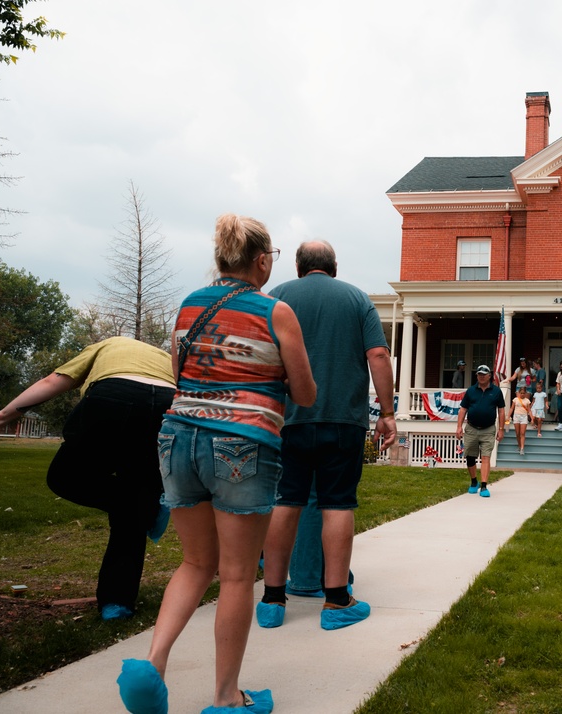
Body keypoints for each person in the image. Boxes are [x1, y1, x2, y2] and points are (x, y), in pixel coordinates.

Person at [117, 214, 316, 714]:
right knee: (234, 575)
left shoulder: (188, 307)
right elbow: (307, 394)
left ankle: (153, 664)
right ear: (262, 260)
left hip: (177, 439)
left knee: (194, 562)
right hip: (241, 444)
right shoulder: (276, 312)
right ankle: (227, 697)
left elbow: (177, 371)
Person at [256, 240, 396, 632]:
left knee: (286, 502)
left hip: (288, 420)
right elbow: (379, 356)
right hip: (342, 420)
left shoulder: (275, 298)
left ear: (299, 266)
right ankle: (336, 602)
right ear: (333, 265)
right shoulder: (356, 299)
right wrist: (387, 413)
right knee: (337, 504)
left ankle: (272, 601)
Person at [0, 336, 175, 621]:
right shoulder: (164, 357)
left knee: (65, 476)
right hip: (168, 406)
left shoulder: (107, 345)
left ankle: (145, 504)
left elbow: (53, 381)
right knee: (133, 506)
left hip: (114, 397)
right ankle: (117, 602)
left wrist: (6, 414)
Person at [455, 364, 506, 498]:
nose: (481, 377)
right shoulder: (471, 391)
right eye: (479, 374)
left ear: (489, 376)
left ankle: (484, 486)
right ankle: (474, 482)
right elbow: (463, 409)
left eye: (484, 374)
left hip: (488, 429)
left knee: (485, 457)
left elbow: (501, 411)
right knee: (470, 457)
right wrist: (459, 427)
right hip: (471, 428)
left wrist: (501, 429)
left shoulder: (496, 391)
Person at [508, 385, 531, 455]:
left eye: (524, 393)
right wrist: (508, 416)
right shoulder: (515, 399)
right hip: (516, 416)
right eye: (521, 393)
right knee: (517, 433)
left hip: (524, 416)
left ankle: (522, 448)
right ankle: (519, 445)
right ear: (519, 393)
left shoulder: (527, 400)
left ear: (526, 393)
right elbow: (512, 408)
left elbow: (529, 410)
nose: (522, 394)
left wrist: (532, 418)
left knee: (522, 433)